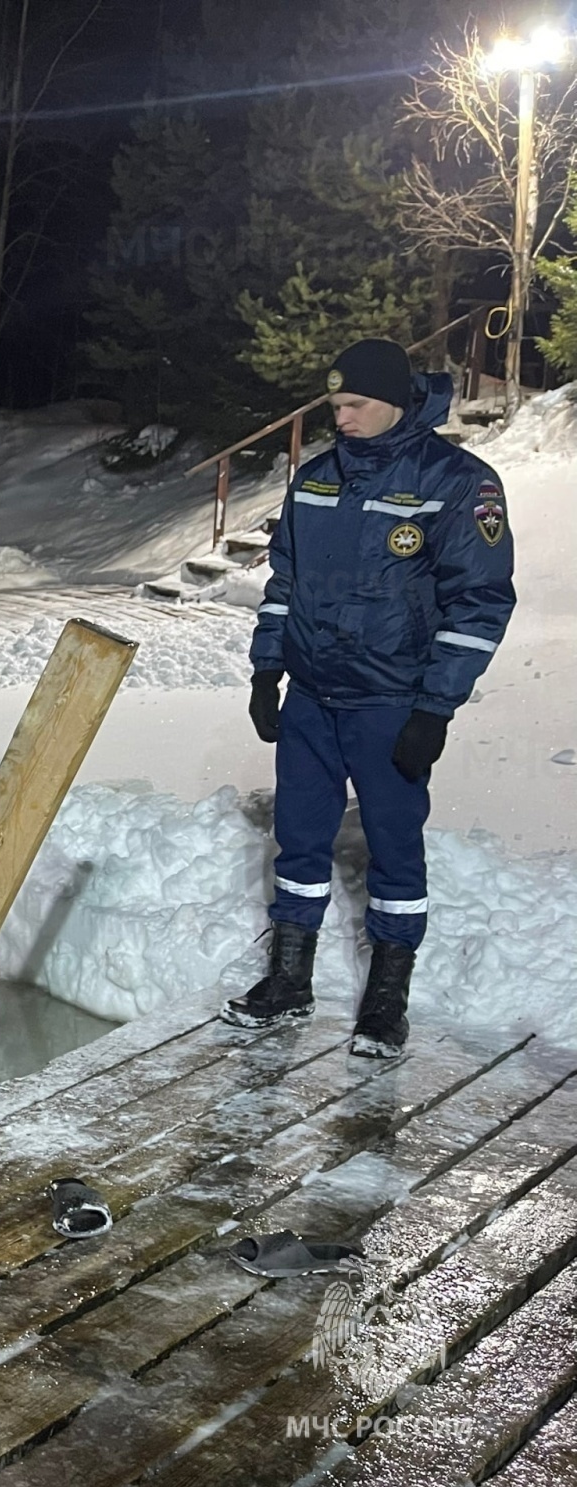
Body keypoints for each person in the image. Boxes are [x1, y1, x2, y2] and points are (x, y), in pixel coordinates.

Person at [227, 337, 516, 1057]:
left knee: (393, 848)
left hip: (391, 702)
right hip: (313, 700)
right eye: (335, 405)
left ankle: (386, 1001)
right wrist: (268, 670)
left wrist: (434, 709)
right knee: (298, 837)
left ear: (395, 401)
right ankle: (288, 979)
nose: (343, 417)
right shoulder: (316, 481)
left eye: (356, 404)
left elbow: (479, 604)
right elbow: (284, 586)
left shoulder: (458, 482)